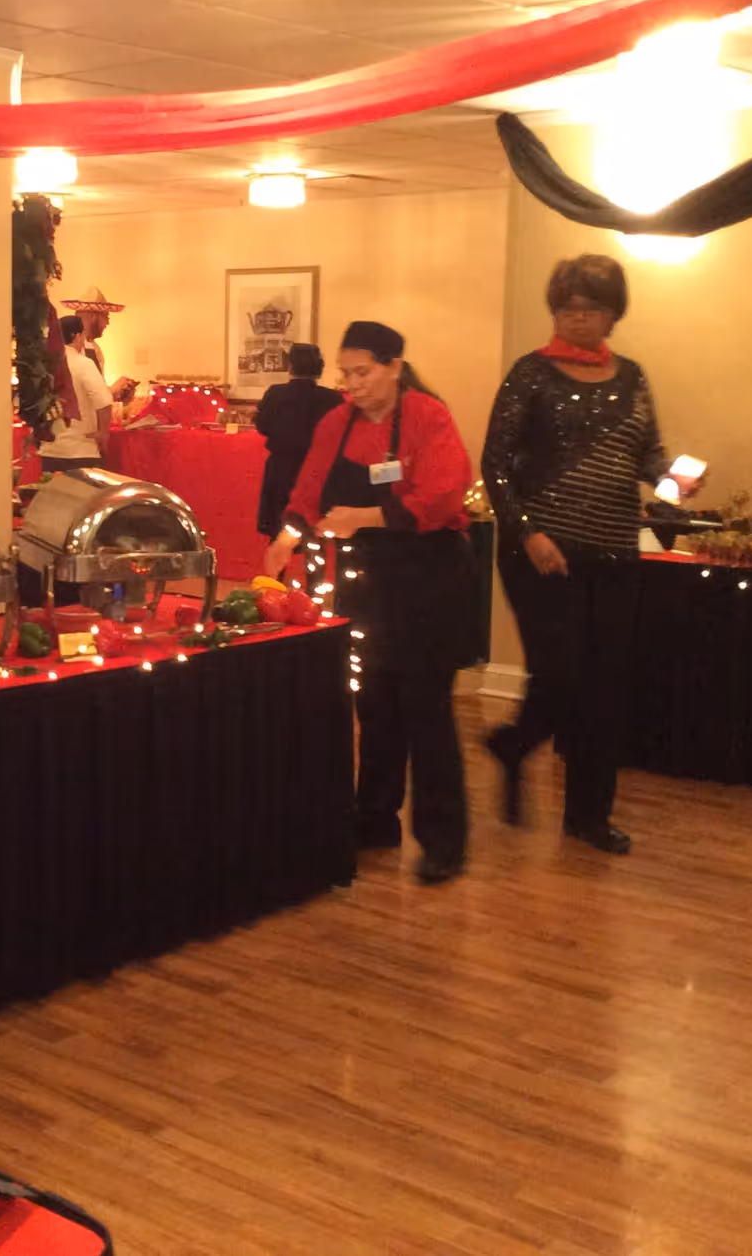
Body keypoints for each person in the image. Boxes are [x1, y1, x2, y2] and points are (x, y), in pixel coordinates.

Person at [480, 254, 698, 856]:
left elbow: (648, 456)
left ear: (612, 315)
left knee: (605, 686)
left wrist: (674, 484)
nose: (579, 319)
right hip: (542, 554)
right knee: (563, 674)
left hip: (613, 551)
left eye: (592, 309)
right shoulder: (530, 374)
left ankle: (587, 816)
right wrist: (529, 533)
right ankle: (518, 742)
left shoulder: (631, 377)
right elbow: (494, 465)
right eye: (569, 309)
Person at [262, 322, 476, 886]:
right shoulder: (336, 422)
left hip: (429, 574)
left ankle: (442, 840)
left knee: (426, 710)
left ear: (394, 367)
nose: (351, 384)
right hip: (370, 579)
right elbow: (307, 494)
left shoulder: (428, 416)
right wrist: (285, 538)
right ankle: (375, 817)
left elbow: (443, 494)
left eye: (362, 372)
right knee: (375, 704)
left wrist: (365, 517)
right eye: (346, 373)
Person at [253, 342, 343, 540]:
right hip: (317, 470)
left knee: (277, 528)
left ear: (290, 366)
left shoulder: (275, 394)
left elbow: (262, 425)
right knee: (315, 529)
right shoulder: (332, 399)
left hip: (281, 467)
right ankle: (314, 570)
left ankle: (277, 571)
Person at [38, 315, 114, 475]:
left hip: (50, 451)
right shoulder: (83, 363)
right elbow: (104, 402)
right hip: (80, 450)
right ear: (77, 336)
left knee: (54, 497)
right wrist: (102, 433)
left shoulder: (43, 365)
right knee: (84, 498)